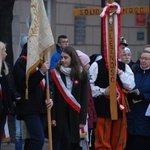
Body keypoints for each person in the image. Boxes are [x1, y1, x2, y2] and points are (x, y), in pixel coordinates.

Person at [89, 54, 135, 150]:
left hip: (120, 109)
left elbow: (130, 85)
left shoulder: (123, 66)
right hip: (102, 109)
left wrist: (120, 72)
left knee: (119, 141)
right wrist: (103, 91)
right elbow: (88, 88)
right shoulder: (96, 65)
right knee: (102, 140)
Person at [13, 42, 53, 150]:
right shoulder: (21, 63)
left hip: (42, 108)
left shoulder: (41, 62)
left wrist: (50, 98)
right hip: (29, 108)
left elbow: (49, 84)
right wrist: (40, 72)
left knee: (31, 141)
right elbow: (25, 86)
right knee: (38, 140)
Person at [50, 46, 88, 150]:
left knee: (74, 143)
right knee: (64, 141)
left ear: (72, 58)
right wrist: (53, 117)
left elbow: (84, 97)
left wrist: (82, 119)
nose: (62, 60)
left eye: (66, 58)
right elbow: (53, 97)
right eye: (61, 57)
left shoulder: (82, 73)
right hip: (60, 114)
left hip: (75, 112)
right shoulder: (55, 73)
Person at [125, 50, 150, 150]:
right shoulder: (133, 72)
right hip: (132, 112)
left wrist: (145, 96)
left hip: (146, 113)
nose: (143, 61)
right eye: (141, 58)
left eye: (146, 59)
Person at [0, 41, 21, 149]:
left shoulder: (5, 69)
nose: (6, 54)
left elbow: (10, 87)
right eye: (4, 51)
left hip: (3, 110)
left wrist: (15, 96)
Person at [76, 50, 97, 150]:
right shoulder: (79, 79)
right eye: (86, 63)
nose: (89, 65)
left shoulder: (86, 78)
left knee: (86, 141)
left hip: (88, 115)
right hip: (84, 115)